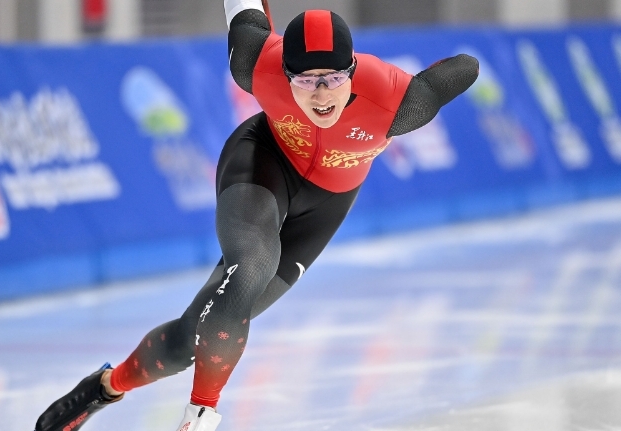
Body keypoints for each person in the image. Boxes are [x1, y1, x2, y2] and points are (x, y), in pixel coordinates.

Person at [33, 1, 479, 431]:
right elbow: (243, 11)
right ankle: (200, 416)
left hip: (324, 206)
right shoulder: (256, 63)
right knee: (250, 270)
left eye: (332, 78)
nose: (321, 94)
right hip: (262, 162)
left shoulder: (400, 102)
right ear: (284, 72)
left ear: (352, 71)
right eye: (305, 80)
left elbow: (465, 68)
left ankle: (103, 387)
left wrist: (454, 69)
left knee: (191, 340)